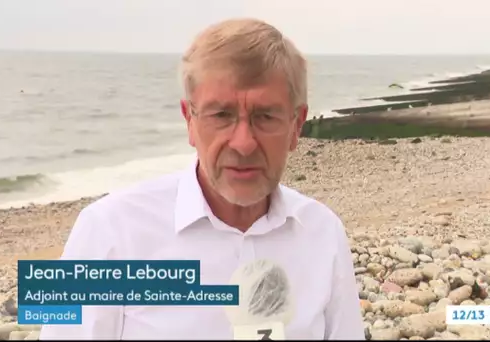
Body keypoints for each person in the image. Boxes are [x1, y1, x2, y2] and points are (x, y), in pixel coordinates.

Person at [39, 18, 364, 340]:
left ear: (297, 125)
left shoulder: (324, 233)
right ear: (189, 120)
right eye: (221, 115)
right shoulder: (106, 231)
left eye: (265, 116)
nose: (243, 143)